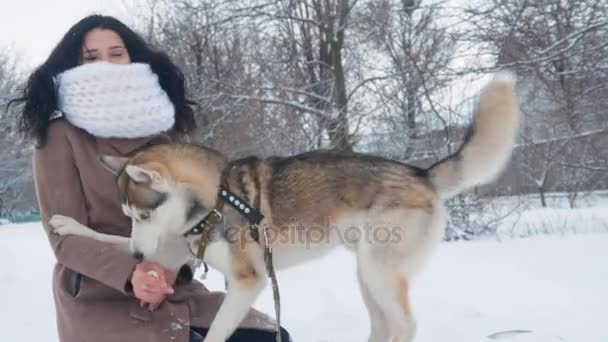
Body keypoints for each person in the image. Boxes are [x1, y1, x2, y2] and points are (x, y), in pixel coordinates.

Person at [12, 14, 290, 342]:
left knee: (271, 337)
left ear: (133, 59)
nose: (106, 65)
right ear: (74, 66)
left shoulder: (162, 132)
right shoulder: (59, 136)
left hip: (173, 287)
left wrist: (172, 266)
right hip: (99, 293)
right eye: (91, 57)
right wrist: (134, 274)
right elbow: (65, 239)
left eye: (117, 54)